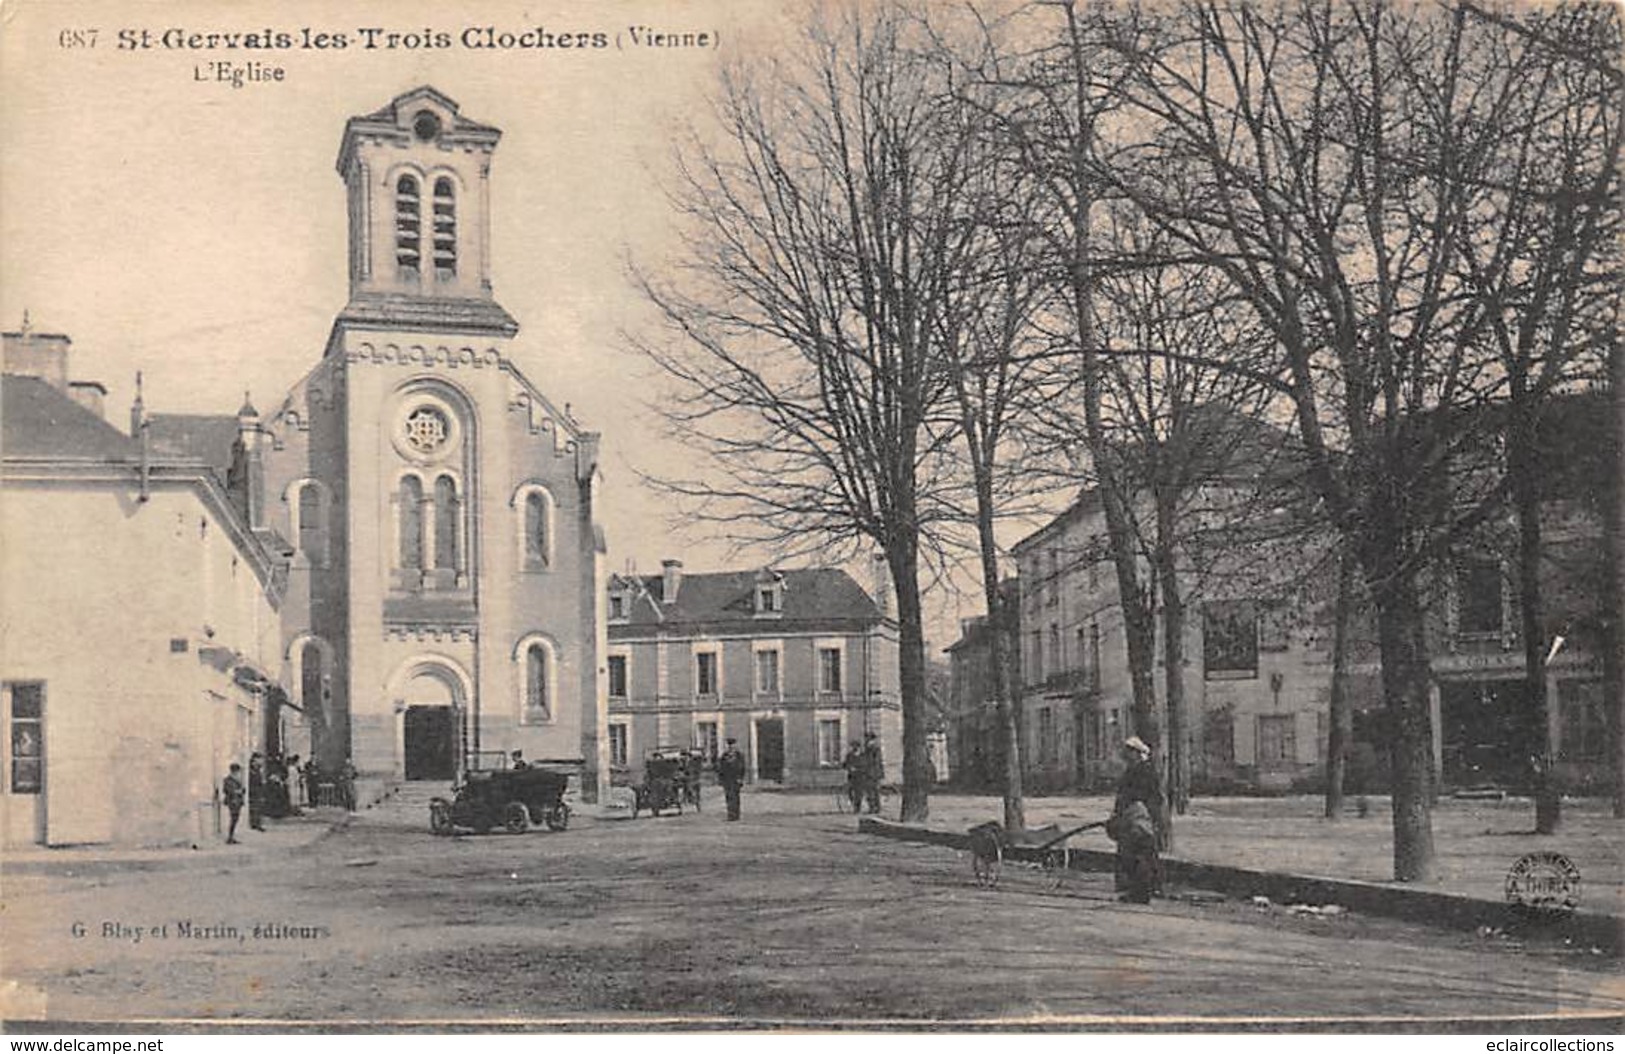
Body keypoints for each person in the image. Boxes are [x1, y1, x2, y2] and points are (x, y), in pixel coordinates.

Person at [1108, 736, 1165, 904]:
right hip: (1132, 816)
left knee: (1137, 854)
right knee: (1134, 854)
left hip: (1139, 817)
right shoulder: (1134, 769)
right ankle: (1140, 889)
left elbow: (1147, 796)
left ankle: (1141, 891)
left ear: (1137, 753)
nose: (1126, 755)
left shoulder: (1144, 771)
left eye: (1129, 752)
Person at [716, 737, 747, 821]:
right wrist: (720, 779)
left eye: (732, 745)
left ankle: (736, 814)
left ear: (735, 745)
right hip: (727, 779)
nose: (731, 747)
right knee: (728, 796)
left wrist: (741, 778)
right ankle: (730, 814)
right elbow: (721, 768)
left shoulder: (739, 755)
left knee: (735, 797)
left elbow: (742, 768)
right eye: (729, 745)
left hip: (736, 779)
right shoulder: (724, 756)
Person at [860, 733, 884, 815]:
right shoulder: (869, 749)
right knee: (871, 791)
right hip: (871, 773)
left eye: (868, 739)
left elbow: (876, 762)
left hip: (872, 774)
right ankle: (874, 807)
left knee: (872, 791)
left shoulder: (874, 749)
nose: (866, 741)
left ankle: (874, 807)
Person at [222, 763, 246, 843]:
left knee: (235, 819)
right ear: (234, 771)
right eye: (237, 771)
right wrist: (238, 791)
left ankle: (231, 837)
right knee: (233, 819)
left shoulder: (237, 779)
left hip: (237, 801)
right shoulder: (228, 780)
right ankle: (230, 837)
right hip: (232, 801)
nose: (238, 773)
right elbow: (227, 790)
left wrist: (241, 791)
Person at [841, 740, 865, 813]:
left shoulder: (863, 756)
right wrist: (849, 767)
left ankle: (858, 807)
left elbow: (865, 766)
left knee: (859, 793)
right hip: (851, 777)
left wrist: (859, 769)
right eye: (853, 746)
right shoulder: (849, 756)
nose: (855, 748)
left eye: (856, 746)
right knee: (851, 792)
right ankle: (853, 804)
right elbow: (845, 765)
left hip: (860, 776)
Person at [247, 753, 267, 831]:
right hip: (254, 791)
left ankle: (257, 823)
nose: (261, 761)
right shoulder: (252, 770)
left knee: (258, 807)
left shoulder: (258, 769)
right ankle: (255, 823)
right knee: (255, 807)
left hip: (258, 790)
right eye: (260, 759)